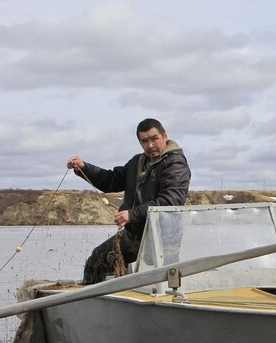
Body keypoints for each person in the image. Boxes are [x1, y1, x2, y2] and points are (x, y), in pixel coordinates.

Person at [67, 118, 191, 284]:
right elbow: (111, 180)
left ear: (164, 136)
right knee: (96, 261)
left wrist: (132, 215)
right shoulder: (137, 162)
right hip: (133, 236)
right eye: (144, 141)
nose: (150, 145)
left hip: (163, 239)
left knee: (165, 282)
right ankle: (97, 303)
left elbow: (170, 201)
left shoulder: (176, 164)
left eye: (154, 138)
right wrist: (83, 167)